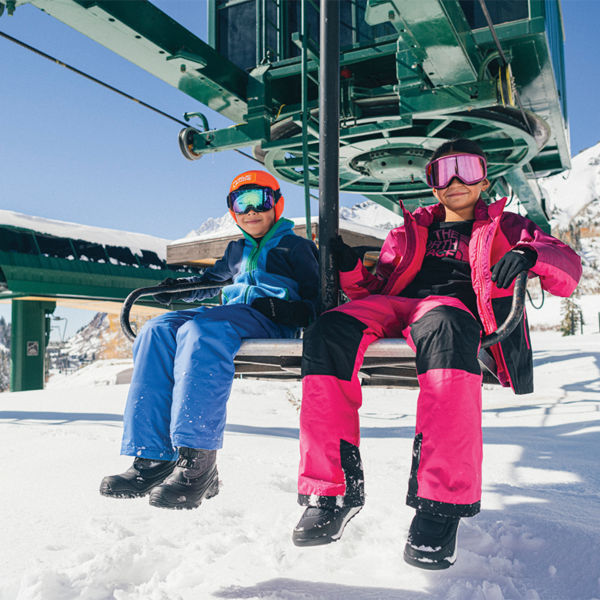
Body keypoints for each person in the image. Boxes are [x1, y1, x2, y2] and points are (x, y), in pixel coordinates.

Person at [292, 139, 582, 569]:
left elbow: (567, 269)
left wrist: (528, 253)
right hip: (398, 306)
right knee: (327, 330)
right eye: (444, 173)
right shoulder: (408, 231)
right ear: (433, 184)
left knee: (445, 323)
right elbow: (377, 290)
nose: (457, 182)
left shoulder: (507, 225)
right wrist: (352, 270)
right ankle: (329, 491)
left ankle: (439, 503)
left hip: (450, 311)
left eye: (466, 168)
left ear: (484, 177)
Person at [100, 170, 319, 510]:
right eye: (240, 203)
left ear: (276, 203)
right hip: (231, 317)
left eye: (259, 200)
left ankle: (197, 462)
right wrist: (176, 289)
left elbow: (319, 302)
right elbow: (208, 283)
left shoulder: (296, 247)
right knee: (156, 331)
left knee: (199, 332)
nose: (250, 211)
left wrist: (286, 309)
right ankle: (153, 458)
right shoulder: (236, 250)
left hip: (269, 320)